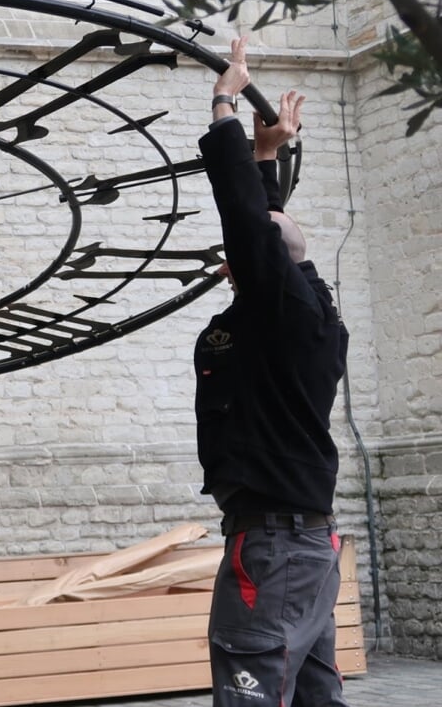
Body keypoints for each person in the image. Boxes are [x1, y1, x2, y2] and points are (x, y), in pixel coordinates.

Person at [196, 36, 351, 707]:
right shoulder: (301, 310)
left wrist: (224, 105)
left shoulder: (279, 303)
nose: (229, 259)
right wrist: (266, 155)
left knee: (250, 693)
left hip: (275, 549)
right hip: (301, 546)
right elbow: (265, 232)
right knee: (315, 695)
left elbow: (250, 227)